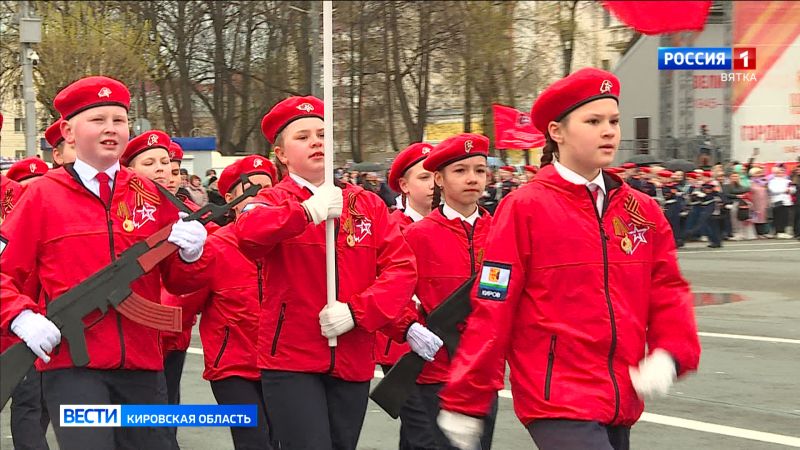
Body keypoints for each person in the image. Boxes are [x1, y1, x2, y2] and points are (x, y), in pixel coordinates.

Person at [435, 68, 701, 450]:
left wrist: (671, 351)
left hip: (622, 395)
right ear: (557, 132)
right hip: (556, 398)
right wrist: (466, 396)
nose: (608, 131)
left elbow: (667, 288)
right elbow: (494, 305)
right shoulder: (524, 208)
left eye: (613, 121)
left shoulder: (639, 209)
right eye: (593, 121)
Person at [0, 76, 208, 450]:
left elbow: (177, 281)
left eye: (119, 119)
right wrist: (20, 316)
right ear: (68, 131)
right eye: (98, 120)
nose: (111, 129)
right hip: (73, 368)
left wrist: (191, 254)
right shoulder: (42, 196)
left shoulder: (150, 193)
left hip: (144, 366)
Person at [234, 95, 417, 450]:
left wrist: (357, 312)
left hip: (352, 352)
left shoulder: (367, 204)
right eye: (302, 137)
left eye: (321, 134)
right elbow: (249, 234)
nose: (316, 142)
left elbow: (401, 270)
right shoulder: (271, 200)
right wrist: (305, 212)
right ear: (282, 154)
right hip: (291, 360)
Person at [167, 155, 278, 450]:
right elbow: (183, 302)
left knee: (279, 440)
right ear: (230, 198)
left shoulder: (285, 244)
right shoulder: (215, 246)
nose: (261, 196)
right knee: (253, 442)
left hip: (282, 365)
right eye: (252, 189)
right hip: (233, 368)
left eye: (268, 188)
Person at [404, 133, 499, 450]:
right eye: (460, 170)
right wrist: (410, 327)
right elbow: (396, 293)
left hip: (483, 371)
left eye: (480, 170)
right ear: (439, 179)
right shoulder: (418, 235)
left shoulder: (500, 232)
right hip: (435, 372)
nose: (472, 178)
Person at [376, 142, 441, 449]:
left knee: (420, 435)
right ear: (403, 185)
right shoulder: (391, 228)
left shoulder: (449, 226)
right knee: (424, 432)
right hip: (399, 346)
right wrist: (408, 326)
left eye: (436, 177)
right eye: (424, 178)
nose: (433, 185)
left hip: (444, 345)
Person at [767, 165, 795, 239]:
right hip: (777, 200)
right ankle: (779, 231)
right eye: (779, 172)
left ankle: (782, 231)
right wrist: (784, 190)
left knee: (785, 217)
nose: (781, 173)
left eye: (782, 172)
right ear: (775, 173)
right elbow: (773, 190)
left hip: (786, 201)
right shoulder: (772, 181)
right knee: (778, 217)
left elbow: (793, 189)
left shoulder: (787, 181)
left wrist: (790, 190)